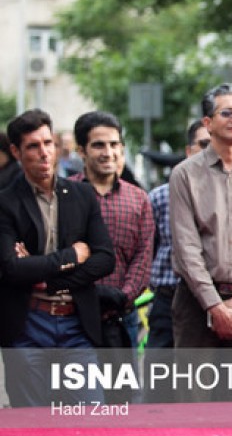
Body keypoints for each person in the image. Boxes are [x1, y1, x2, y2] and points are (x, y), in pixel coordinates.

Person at [0, 109, 115, 407]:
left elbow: (104, 258)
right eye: (33, 146)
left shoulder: (81, 195)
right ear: (16, 151)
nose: (44, 153)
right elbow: (11, 268)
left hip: (76, 323)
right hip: (28, 325)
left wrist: (46, 277)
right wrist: (71, 255)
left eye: (48, 143)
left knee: (91, 415)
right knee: (32, 425)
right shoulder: (6, 202)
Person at [169, 83, 232, 402]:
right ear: (207, 122)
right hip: (196, 303)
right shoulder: (184, 175)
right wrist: (215, 307)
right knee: (193, 405)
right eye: (226, 112)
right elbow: (187, 249)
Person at [71, 111, 155, 402]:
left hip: (124, 318)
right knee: (81, 404)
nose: (108, 152)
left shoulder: (138, 198)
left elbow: (144, 257)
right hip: (75, 319)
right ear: (81, 150)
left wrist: (122, 296)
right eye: (98, 145)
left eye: (114, 144)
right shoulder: (66, 194)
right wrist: (90, 295)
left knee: (124, 402)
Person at [144, 120, 207, 403]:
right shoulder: (159, 198)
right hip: (168, 300)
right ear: (188, 150)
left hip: (213, 303)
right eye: (203, 145)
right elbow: (149, 248)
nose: (209, 152)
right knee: (160, 384)